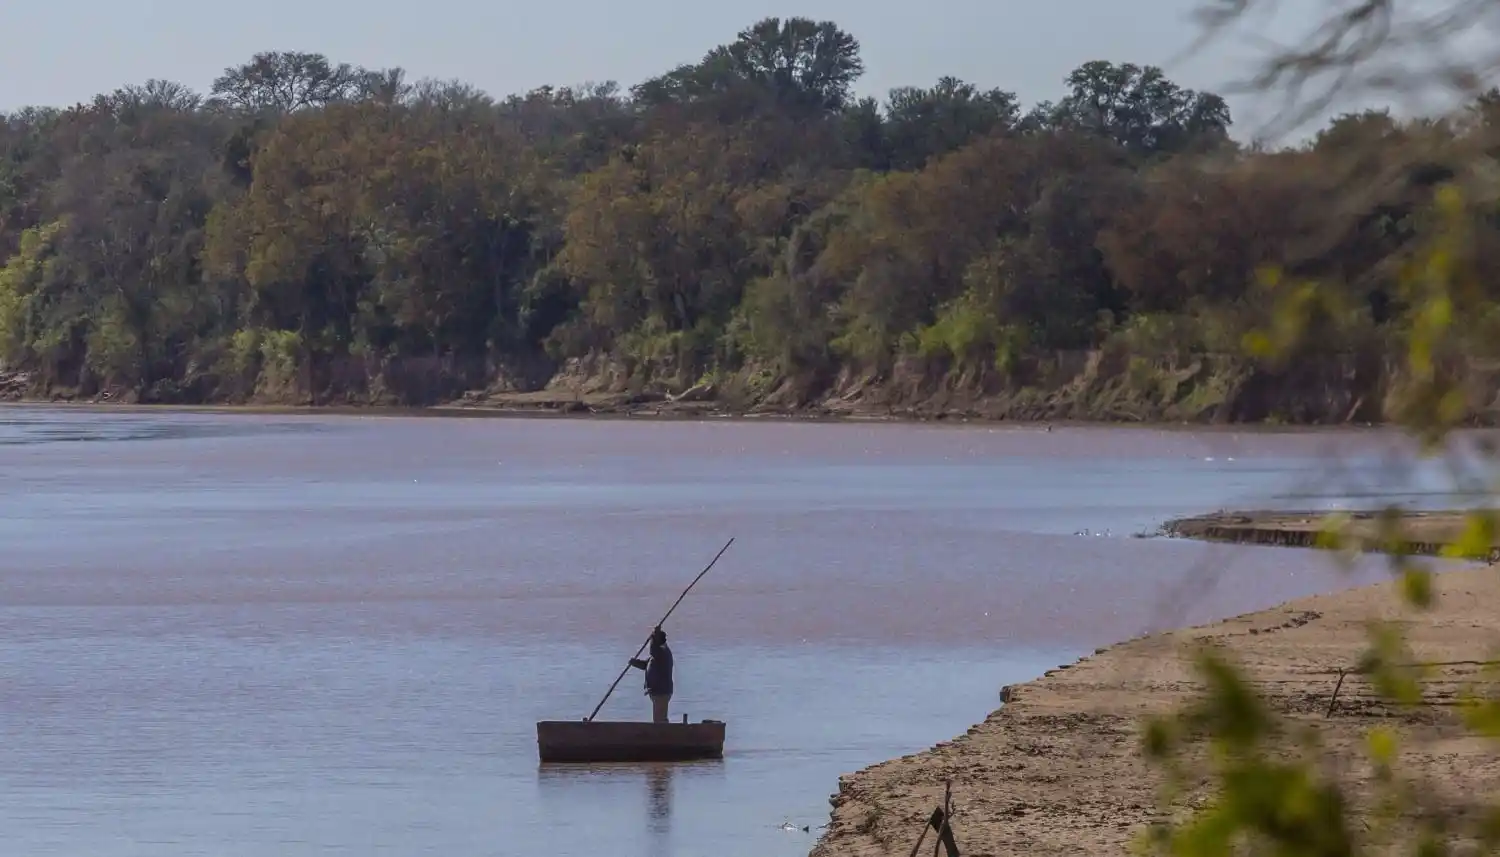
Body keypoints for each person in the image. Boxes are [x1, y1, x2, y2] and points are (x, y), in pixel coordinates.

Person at [628, 626, 674, 723]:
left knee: (660, 720)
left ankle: (663, 735)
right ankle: (661, 734)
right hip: (658, 691)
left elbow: (653, 650)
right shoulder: (658, 653)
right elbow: (647, 665)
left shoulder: (662, 651)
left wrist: (654, 635)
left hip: (662, 691)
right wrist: (634, 663)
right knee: (658, 719)